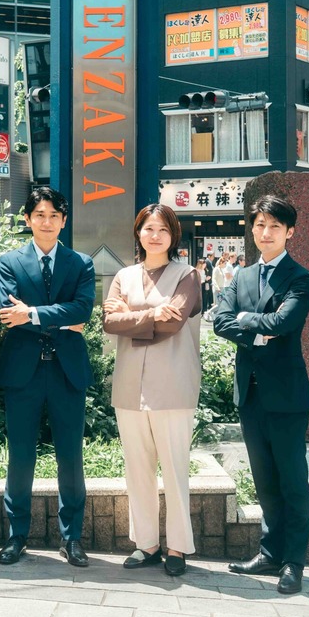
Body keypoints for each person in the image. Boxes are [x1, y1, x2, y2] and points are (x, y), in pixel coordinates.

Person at [213, 194, 309, 595]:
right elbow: (220, 321)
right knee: (264, 480)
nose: (266, 232)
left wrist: (244, 320)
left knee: (292, 481)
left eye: (274, 226)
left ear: (289, 232)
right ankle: (270, 552)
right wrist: (257, 328)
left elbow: (285, 321)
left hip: (287, 397)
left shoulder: (301, 277)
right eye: (259, 225)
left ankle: (294, 562)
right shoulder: (240, 277)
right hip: (250, 395)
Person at [0, 187, 95, 567]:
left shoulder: (80, 263)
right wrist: (62, 318)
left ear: (64, 220)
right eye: (39, 214)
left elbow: (83, 309)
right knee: (20, 457)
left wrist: (33, 315)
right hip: (23, 372)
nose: (47, 221)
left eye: (54, 215)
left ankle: (71, 539)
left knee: (70, 458)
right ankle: (16, 536)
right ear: (27, 219)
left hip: (67, 371)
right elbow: (8, 312)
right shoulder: (9, 262)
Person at [103, 204, 202, 577]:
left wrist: (130, 317)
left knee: (175, 469)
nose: (155, 235)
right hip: (129, 387)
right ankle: (146, 544)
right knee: (137, 469)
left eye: (163, 229)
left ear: (173, 235)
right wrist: (148, 316)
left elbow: (174, 323)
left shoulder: (187, 275)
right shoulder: (123, 275)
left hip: (174, 386)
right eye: (148, 228)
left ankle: (177, 547)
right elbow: (109, 322)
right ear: (138, 233)